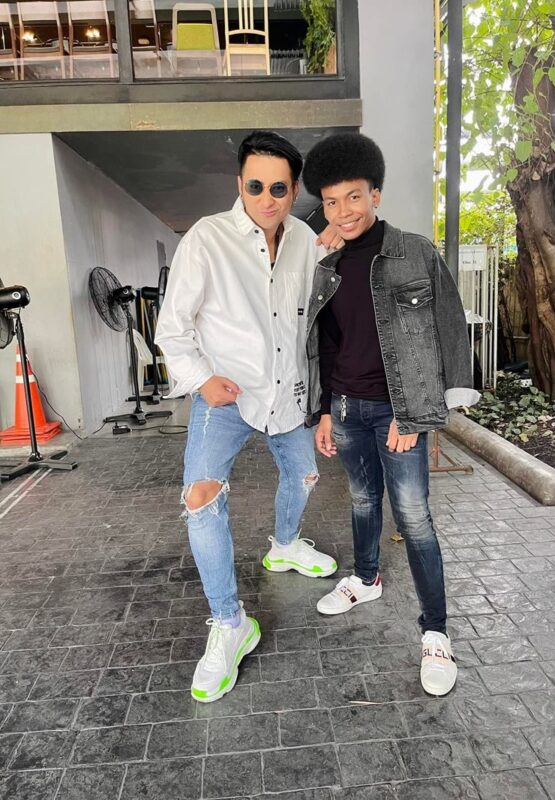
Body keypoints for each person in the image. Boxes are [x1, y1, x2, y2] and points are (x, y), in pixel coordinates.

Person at [155, 131, 340, 704]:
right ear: (240, 184)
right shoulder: (207, 238)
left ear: (294, 189)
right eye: (255, 186)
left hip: (290, 391)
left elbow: (317, 309)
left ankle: (284, 544)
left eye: (279, 188)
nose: (266, 198)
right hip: (227, 396)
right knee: (200, 497)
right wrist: (201, 379)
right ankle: (230, 621)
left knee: (304, 476)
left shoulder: (306, 240)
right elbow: (172, 327)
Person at [302, 133, 480, 696]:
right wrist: (325, 411)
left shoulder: (414, 252)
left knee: (414, 516)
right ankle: (365, 578)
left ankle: (436, 632)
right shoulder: (327, 263)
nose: (343, 211)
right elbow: (326, 343)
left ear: (375, 194)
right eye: (331, 202)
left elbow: (447, 328)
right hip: (346, 406)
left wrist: (417, 415)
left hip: (398, 412)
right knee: (361, 499)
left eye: (353, 197)